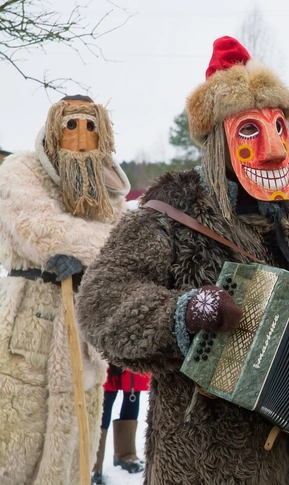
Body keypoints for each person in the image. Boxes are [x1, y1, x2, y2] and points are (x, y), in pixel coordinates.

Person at [75, 36, 289, 485]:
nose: (275, 149)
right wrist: (184, 313)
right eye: (250, 130)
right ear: (217, 137)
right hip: (209, 462)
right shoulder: (170, 212)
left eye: (279, 127)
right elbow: (101, 305)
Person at [0, 95, 130, 484]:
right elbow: (39, 229)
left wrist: (86, 254)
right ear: (55, 128)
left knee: (72, 454)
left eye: (90, 127)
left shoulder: (107, 190)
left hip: (82, 333)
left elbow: (124, 244)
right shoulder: (20, 170)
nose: (80, 136)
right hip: (28, 330)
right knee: (14, 447)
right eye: (70, 126)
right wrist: (99, 247)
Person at [92, 365, 150, 484]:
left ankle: (126, 454)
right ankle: (94, 464)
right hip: (106, 354)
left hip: (132, 352)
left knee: (132, 393)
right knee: (105, 399)